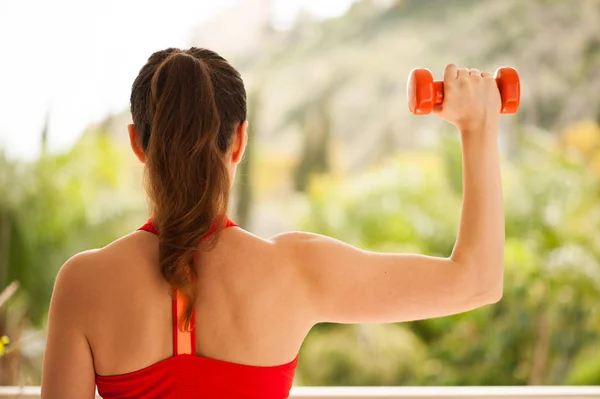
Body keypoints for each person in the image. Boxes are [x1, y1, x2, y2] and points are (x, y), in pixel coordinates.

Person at [41, 47, 504, 399]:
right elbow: (477, 282)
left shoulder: (83, 283)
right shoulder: (297, 271)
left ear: (138, 144)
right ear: (240, 139)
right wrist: (477, 126)